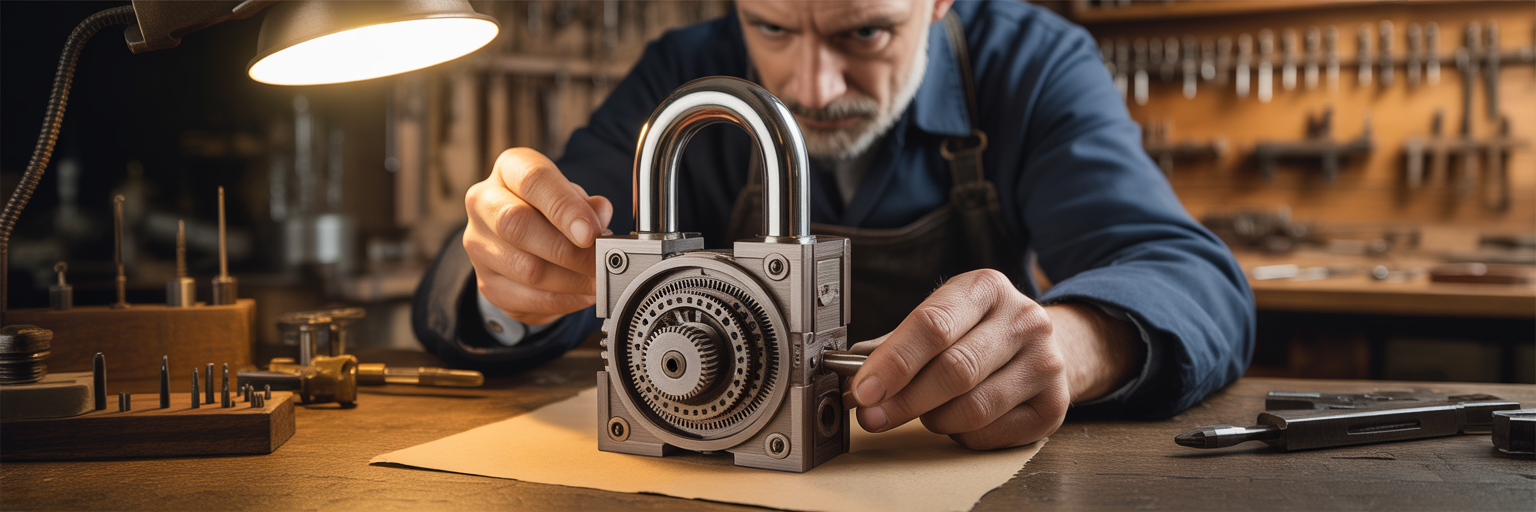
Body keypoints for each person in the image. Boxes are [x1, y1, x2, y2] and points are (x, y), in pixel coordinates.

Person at [413, 0, 1254, 450]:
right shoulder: (680, 73)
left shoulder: (1034, 65)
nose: (810, 86)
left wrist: (1072, 343)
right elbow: (551, 226)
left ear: (936, 2)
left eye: (864, 32)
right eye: (772, 28)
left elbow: (1188, 274)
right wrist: (510, 269)